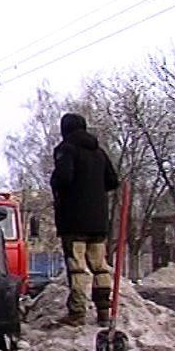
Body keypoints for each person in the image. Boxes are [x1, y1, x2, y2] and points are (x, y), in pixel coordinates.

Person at [49, 112, 120, 328]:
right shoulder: (99, 152)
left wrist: (59, 187)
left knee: (77, 267)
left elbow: (63, 178)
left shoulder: (66, 149)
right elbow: (112, 181)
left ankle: (77, 313)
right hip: (98, 222)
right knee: (100, 267)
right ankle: (103, 312)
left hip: (73, 221)